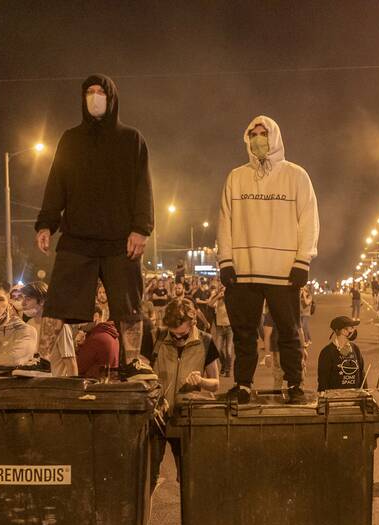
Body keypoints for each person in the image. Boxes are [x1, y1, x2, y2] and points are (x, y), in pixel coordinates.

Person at [34, 74, 155, 380]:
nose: (95, 97)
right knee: (58, 300)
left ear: (112, 98)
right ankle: (42, 359)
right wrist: (46, 224)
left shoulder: (131, 139)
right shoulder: (70, 139)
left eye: (101, 92)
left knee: (128, 304)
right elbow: (56, 183)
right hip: (77, 236)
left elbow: (144, 187)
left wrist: (141, 228)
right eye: (89, 92)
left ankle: (132, 362)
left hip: (120, 238)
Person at [217, 115, 319, 405]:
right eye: (253, 134)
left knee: (289, 332)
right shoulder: (236, 177)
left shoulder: (296, 176)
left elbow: (309, 219)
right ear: (247, 139)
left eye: (264, 134)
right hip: (244, 269)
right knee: (244, 334)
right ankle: (243, 384)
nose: (258, 139)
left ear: (275, 137)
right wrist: (226, 260)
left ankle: (295, 384)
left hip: (283, 271)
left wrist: (303, 260)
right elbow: (225, 221)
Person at [152, 298, 220, 480]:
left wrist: (201, 381)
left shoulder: (206, 341)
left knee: (189, 478)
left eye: (182, 335)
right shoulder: (158, 337)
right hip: (157, 418)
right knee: (148, 477)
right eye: (173, 335)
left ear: (193, 323)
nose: (177, 340)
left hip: (187, 418)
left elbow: (215, 383)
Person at [18, 281, 77, 377]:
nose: (23, 303)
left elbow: (71, 363)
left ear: (42, 301)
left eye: (28, 299)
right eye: (23, 299)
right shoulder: (29, 324)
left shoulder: (59, 326)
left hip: (54, 386)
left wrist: (73, 390)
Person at [317, 316, 365, 392]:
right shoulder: (327, 352)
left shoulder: (355, 349)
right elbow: (323, 380)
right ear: (343, 331)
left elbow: (362, 374)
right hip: (335, 399)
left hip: (355, 398)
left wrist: (366, 393)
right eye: (351, 327)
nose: (354, 330)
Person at [76, 305, 120, 379]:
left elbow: (78, 368)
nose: (79, 325)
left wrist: (79, 347)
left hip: (93, 385)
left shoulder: (95, 339)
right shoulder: (112, 335)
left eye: (82, 319)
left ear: (95, 316)